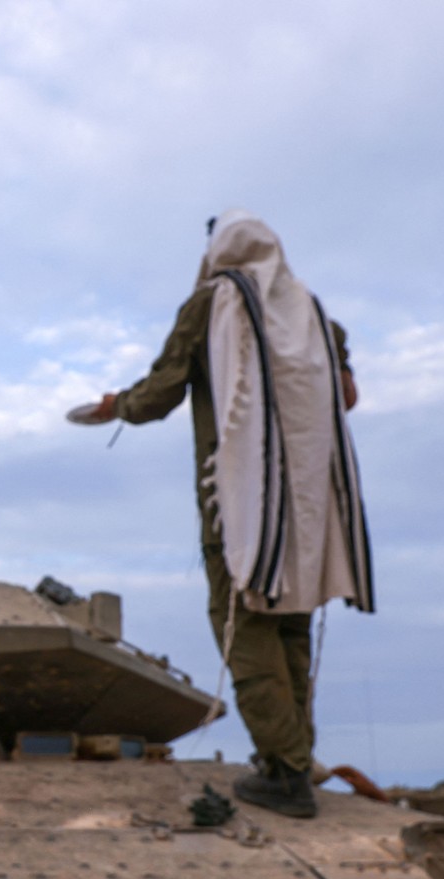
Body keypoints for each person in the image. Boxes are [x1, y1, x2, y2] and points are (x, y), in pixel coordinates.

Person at [80, 211, 374, 818]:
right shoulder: (315, 314)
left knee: (243, 623)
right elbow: (347, 397)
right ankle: (289, 756)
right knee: (291, 625)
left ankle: (287, 771)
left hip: (241, 502)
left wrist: (116, 407)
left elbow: (160, 394)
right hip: (311, 505)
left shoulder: (213, 304)